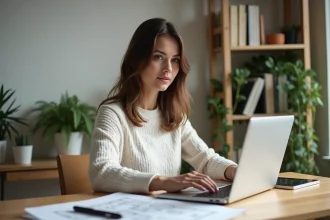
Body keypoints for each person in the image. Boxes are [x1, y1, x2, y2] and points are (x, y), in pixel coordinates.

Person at [89, 17, 238, 194]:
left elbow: (205, 159)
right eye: (158, 57)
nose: (168, 68)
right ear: (136, 59)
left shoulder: (174, 115)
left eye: (175, 60)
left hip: (168, 210)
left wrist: (236, 171)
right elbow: (101, 172)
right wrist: (163, 181)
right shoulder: (113, 114)